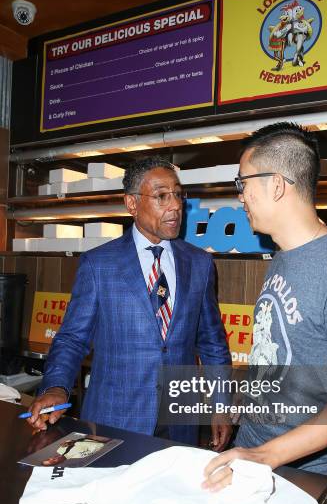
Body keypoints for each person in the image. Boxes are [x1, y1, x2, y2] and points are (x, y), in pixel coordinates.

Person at [202, 122, 327, 497]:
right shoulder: (286, 255)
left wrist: (262, 456)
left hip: (310, 477)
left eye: (243, 183)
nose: (241, 196)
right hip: (257, 455)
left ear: (277, 184)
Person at [28, 156, 231, 449]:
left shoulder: (199, 263)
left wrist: (220, 403)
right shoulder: (99, 264)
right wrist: (56, 387)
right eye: (162, 196)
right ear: (132, 204)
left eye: (178, 194)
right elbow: (72, 339)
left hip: (179, 425)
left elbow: (212, 342)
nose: (175, 205)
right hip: (114, 422)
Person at [42, 435, 110, 466]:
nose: (52, 458)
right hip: (98, 439)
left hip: (86, 436)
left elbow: (71, 440)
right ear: (59, 463)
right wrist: (95, 439)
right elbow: (99, 447)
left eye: (49, 459)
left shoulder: (60, 450)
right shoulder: (78, 456)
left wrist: (69, 442)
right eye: (53, 461)